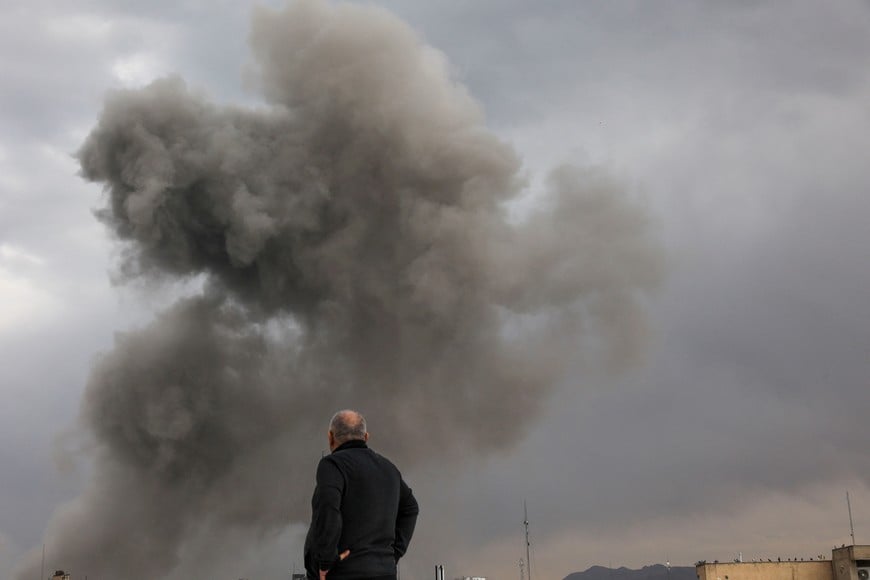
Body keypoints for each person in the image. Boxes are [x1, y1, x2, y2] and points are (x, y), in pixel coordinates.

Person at [304, 410, 419, 580]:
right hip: (385, 572)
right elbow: (411, 508)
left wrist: (326, 563)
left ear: (330, 437)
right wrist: (393, 554)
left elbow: (327, 510)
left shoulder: (332, 465)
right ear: (366, 437)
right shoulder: (389, 469)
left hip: (344, 573)